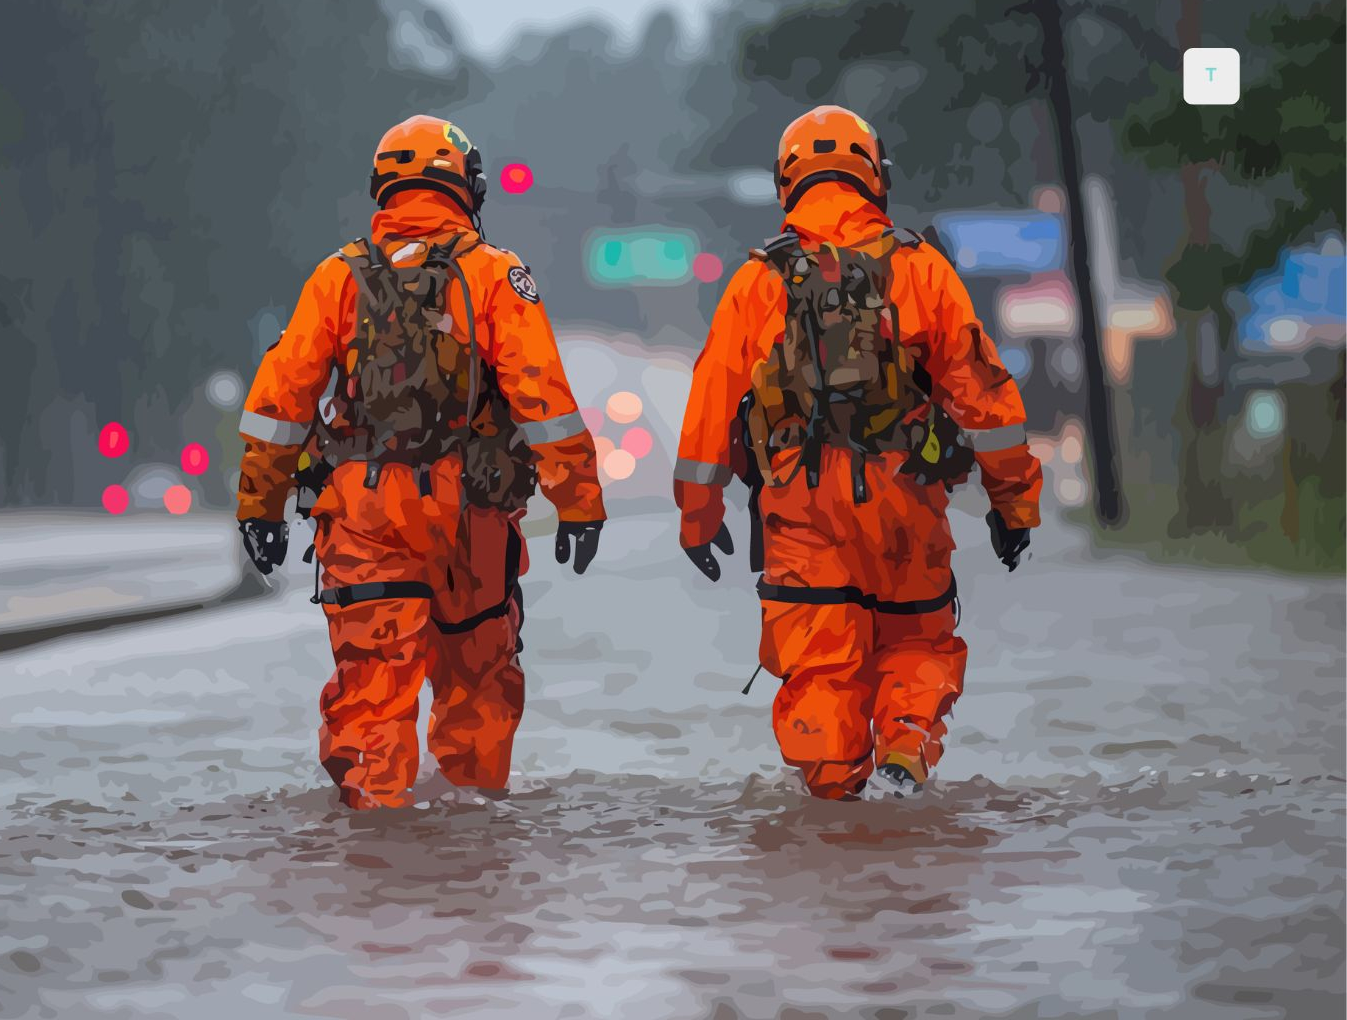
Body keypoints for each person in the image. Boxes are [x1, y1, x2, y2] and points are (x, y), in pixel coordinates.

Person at [235, 115, 606, 810]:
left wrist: (260, 504)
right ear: (469, 189)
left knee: (373, 690)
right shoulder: (496, 273)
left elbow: (279, 403)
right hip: (475, 514)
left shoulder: (337, 277)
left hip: (365, 515)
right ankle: (472, 837)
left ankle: (380, 855)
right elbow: (543, 400)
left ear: (384, 189)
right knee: (478, 685)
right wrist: (580, 501)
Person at [675, 105, 1042, 800]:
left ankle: (837, 810)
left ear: (786, 183)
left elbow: (708, 413)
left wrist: (698, 516)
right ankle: (903, 758)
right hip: (907, 498)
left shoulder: (758, 282)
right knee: (916, 644)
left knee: (820, 671)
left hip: (801, 513)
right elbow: (987, 400)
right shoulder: (921, 269)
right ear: (876, 177)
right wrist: (1014, 504)